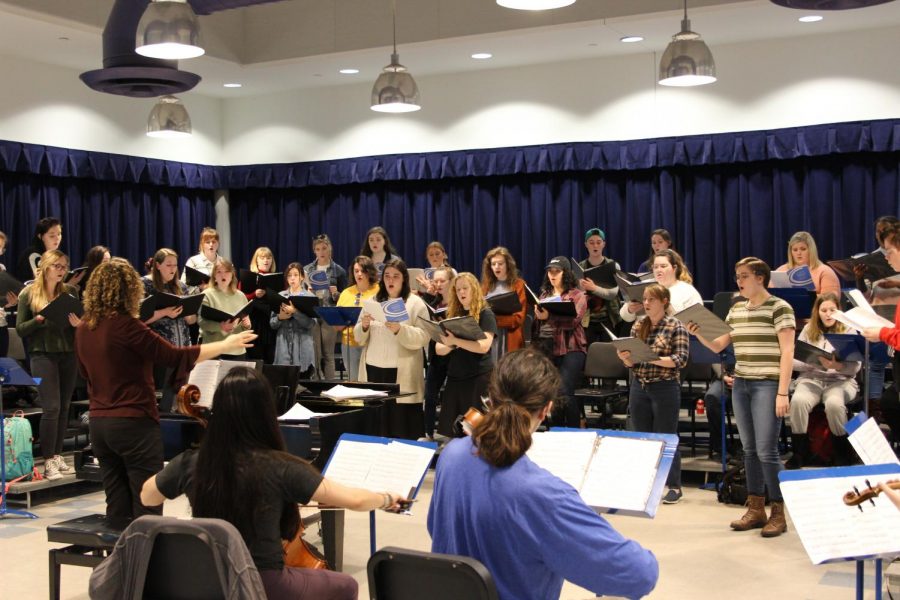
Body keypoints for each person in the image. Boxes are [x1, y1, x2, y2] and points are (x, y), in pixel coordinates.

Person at [140, 367, 408, 600]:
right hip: (262, 584)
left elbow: (147, 497)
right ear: (266, 413)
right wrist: (386, 498)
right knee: (346, 585)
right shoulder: (280, 466)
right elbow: (356, 500)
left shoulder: (193, 462)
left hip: (209, 581)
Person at [427, 348, 659, 600]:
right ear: (546, 409)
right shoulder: (544, 494)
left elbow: (436, 528)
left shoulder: (451, 455)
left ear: (490, 400)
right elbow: (639, 575)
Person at [75, 258, 257, 519]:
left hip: (99, 424)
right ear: (129, 290)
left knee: (116, 504)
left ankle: (121, 558)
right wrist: (227, 344)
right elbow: (175, 356)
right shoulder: (128, 326)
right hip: (133, 423)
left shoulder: (83, 328)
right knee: (146, 505)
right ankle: (146, 560)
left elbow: (84, 374)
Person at [688, 257, 795, 537]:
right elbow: (719, 344)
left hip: (768, 384)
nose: (739, 280)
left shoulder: (779, 308)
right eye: (737, 276)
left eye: (744, 275)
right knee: (749, 449)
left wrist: (783, 391)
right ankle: (756, 508)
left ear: (760, 277)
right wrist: (698, 333)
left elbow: (787, 352)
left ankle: (779, 512)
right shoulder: (736, 310)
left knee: (767, 450)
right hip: (742, 383)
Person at [615, 284, 688, 504]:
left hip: (664, 386)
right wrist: (625, 356)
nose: (646, 303)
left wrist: (650, 358)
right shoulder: (639, 325)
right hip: (640, 384)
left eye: (651, 300)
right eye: (645, 300)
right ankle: (645, 483)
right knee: (642, 436)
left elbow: (680, 360)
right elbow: (631, 363)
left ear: (664, 302)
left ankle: (674, 485)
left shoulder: (676, 326)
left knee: (666, 436)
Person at [16, 249, 81, 480]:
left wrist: (78, 324)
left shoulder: (71, 292)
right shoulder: (29, 294)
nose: (62, 271)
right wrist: (39, 319)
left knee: (64, 407)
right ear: (45, 267)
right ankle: (47, 460)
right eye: (57, 266)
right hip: (41, 355)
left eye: (64, 266)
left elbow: (82, 320)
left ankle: (57, 455)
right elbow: (21, 328)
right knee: (51, 407)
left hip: (67, 353)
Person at [354, 259, 430, 438]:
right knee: (376, 423)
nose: (391, 280)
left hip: (401, 372)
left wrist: (400, 329)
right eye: (387, 275)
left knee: (400, 425)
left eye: (396, 276)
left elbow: (424, 336)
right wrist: (363, 326)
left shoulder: (415, 303)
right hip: (373, 369)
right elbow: (358, 337)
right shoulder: (372, 300)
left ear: (404, 279)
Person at [787, 292, 860, 468]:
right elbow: (794, 362)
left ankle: (842, 452)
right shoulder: (808, 329)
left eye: (832, 310)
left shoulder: (849, 329)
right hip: (812, 378)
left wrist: (837, 366)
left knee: (834, 404)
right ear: (817, 312)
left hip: (841, 380)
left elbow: (856, 366)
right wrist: (814, 365)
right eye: (824, 310)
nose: (828, 314)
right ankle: (800, 453)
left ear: (839, 311)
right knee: (798, 401)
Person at [435, 272, 496, 437]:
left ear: (474, 289)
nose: (461, 292)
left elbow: (484, 346)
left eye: (465, 288)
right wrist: (451, 343)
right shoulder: (454, 314)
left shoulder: (485, 313)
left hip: (478, 377)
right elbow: (439, 349)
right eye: (458, 289)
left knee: (477, 431)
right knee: (453, 431)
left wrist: (455, 341)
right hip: (456, 377)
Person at [532, 257, 588, 428]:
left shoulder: (577, 295)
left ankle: (572, 430)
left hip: (571, 347)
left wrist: (549, 316)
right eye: (550, 271)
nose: (552, 275)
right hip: (547, 346)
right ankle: (555, 429)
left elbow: (573, 322)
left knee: (564, 389)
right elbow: (538, 325)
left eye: (557, 271)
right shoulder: (544, 295)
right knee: (551, 392)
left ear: (566, 273)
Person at [142, 248, 197, 412]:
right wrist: (165, 312)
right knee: (163, 397)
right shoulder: (146, 284)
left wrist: (188, 315)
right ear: (157, 265)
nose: (172, 269)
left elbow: (193, 320)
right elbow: (140, 319)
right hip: (160, 350)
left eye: (175, 265)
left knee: (181, 397)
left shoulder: (181, 286)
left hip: (183, 349)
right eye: (168, 265)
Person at [620, 249, 703, 325]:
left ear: (674, 268)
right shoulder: (645, 286)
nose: (658, 270)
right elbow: (625, 316)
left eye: (663, 266)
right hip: (644, 336)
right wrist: (630, 309)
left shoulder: (687, 290)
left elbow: (697, 322)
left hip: (674, 337)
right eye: (655, 267)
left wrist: (669, 309)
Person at [304, 234, 348, 379]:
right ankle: (316, 384)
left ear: (329, 249)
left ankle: (330, 385)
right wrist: (308, 292)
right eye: (318, 249)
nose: (321, 252)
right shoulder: (308, 269)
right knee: (316, 353)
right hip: (314, 313)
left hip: (330, 313)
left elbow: (344, 298)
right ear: (314, 251)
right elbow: (301, 294)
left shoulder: (338, 270)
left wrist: (336, 293)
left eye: (324, 248)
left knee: (328, 354)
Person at [421, 266, 454, 441]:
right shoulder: (433, 303)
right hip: (437, 354)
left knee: (451, 395)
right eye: (436, 281)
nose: (439, 284)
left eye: (442, 281)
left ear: (451, 282)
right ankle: (428, 433)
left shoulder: (458, 302)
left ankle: (448, 432)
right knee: (430, 394)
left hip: (455, 354)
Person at [335, 256, 380, 382]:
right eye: (356, 271)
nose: (359, 274)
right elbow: (337, 326)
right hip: (349, 345)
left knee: (371, 382)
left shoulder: (379, 290)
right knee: (354, 382)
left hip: (371, 343)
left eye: (362, 270)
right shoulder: (346, 293)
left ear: (369, 271)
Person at [199, 257, 251, 358]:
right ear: (214, 276)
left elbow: (245, 322)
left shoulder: (241, 296)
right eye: (219, 272)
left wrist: (247, 325)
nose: (223, 275)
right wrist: (221, 327)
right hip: (213, 350)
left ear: (232, 275)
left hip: (237, 350)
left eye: (227, 271)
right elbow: (202, 323)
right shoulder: (207, 295)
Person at [577, 228, 623, 345]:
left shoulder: (613, 266)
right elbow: (577, 296)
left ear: (604, 244)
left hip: (609, 317)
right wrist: (581, 290)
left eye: (598, 242)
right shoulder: (580, 267)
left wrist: (594, 288)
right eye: (591, 242)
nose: (595, 245)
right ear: (586, 245)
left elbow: (613, 293)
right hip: (587, 319)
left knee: (609, 351)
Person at [270, 263, 316, 377]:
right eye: (289, 275)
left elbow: (311, 324)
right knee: (284, 382)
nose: (292, 278)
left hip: (302, 346)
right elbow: (272, 324)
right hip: (283, 346)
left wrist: (295, 312)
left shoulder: (309, 297)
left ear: (301, 277)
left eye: (295, 275)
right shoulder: (280, 296)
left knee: (303, 382)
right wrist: (280, 317)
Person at [480, 246, 527, 355]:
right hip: (490, 337)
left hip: (510, 337)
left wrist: (494, 321)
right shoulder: (485, 286)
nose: (497, 267)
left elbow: (519, 318)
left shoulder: (519, 284)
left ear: (508, 265)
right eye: (493, 264)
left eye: (500, 264)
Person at [16, 217, 84, 287]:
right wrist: (69, 285)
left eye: (59, 234)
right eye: (52, 236)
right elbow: (41, 286)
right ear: (40, 236)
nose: (57, 238)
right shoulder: (33, 255)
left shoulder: (58, 255)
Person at [772, 231, 840, 296]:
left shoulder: (825, 271)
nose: (798, 253)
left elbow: (830, 299)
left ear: (811, 250)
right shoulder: (781, 270)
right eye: (795, 250)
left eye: (803, 249)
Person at [243, 246, 278, 364]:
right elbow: (240, 298)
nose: (266, 260)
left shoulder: (276, 278)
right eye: (262, 257)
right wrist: (254, 294)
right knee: (255, 358)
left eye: (269, 258)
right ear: (256, 260)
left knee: (270, 358)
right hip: (254, 322)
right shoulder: (248, 277)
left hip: (269, 323)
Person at [182, 226, 220, 294]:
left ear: (218, 243)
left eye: (214, 242)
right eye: (207, 242)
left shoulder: (224, 262)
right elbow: (183, 287)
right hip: (200, 300)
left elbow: (232, 285)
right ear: (202, 244)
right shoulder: (193, 261)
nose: (211, 244)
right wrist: (200, 289)